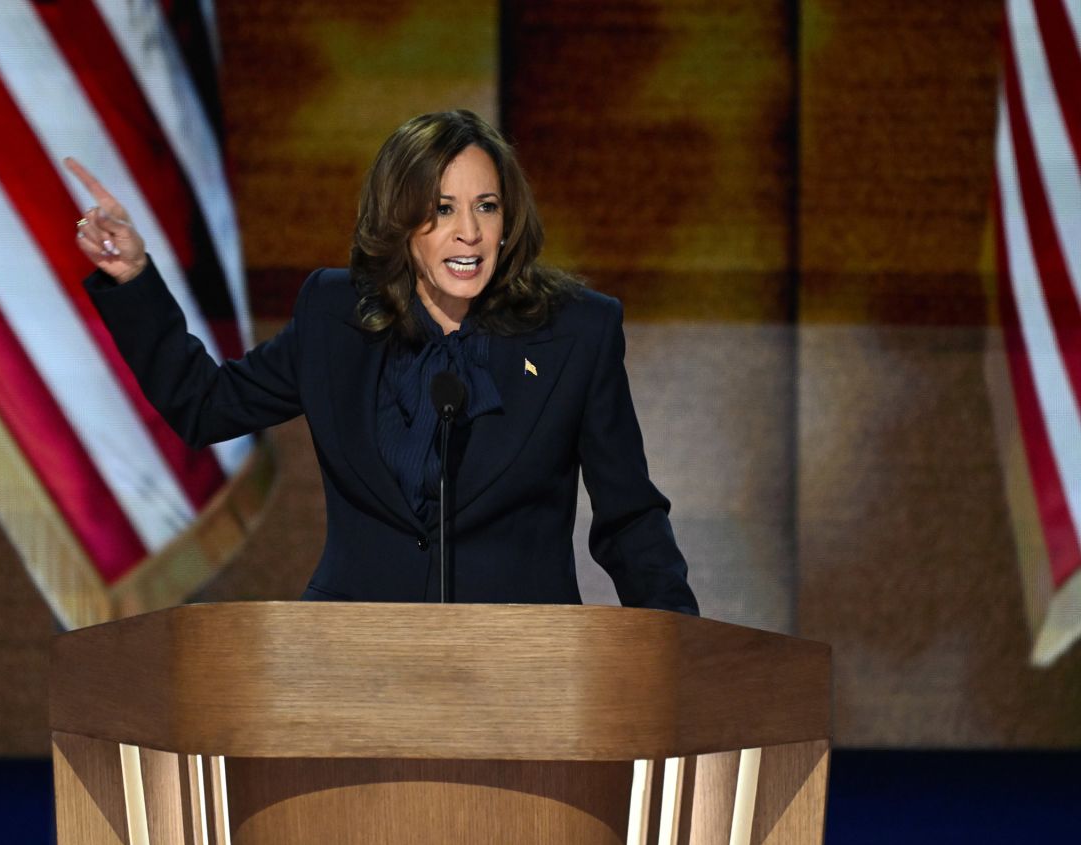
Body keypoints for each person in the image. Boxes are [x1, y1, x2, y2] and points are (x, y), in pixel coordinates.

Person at [67, 109, 698, 614]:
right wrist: (134, 279)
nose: (469, 234)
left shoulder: (574, 333)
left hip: (521, 664)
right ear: (401, 221)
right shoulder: (336, 317)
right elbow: (203, 406)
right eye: (442, 208)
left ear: (508, 222)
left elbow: (629, 516)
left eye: (486, 206)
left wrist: (677, 651)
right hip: (353, 655)